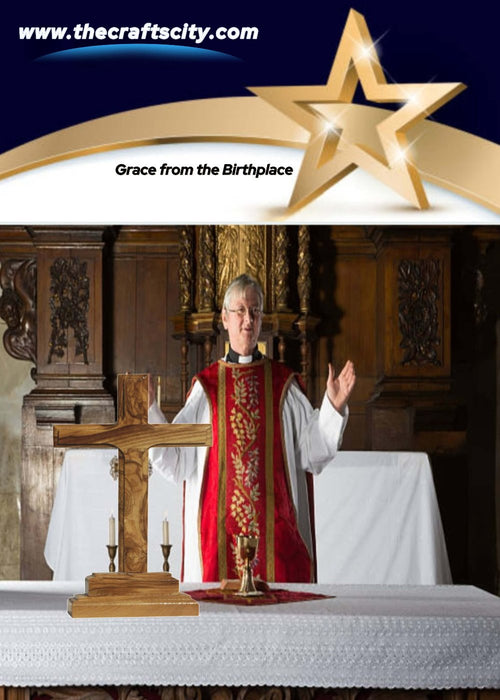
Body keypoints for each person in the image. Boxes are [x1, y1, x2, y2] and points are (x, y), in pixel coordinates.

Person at [150, 274, 356, 583]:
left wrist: (333, 408)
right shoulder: (206, 387)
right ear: (225, 317)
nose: (249, 320)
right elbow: (177, 460)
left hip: (277, 539)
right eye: (241, 310)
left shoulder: (282, 385)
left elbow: (313, 453)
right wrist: (151, 413)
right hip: (217, 540)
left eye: (256, 311)